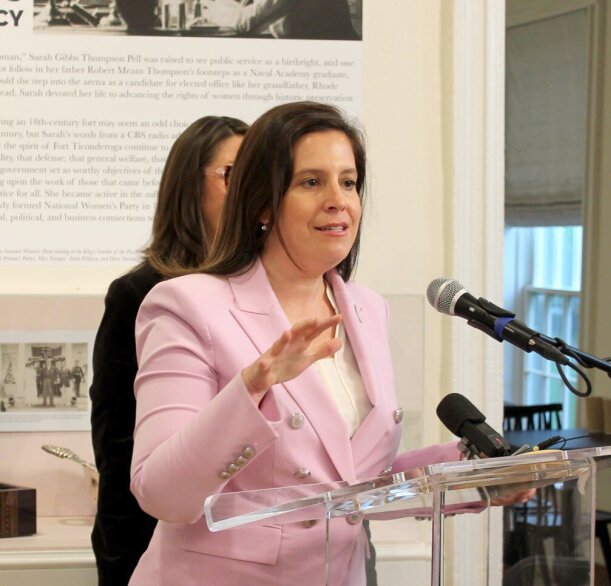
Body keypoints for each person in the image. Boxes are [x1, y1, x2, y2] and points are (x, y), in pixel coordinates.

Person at [127, 102, 465, 586]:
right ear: (263, 202)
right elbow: (162, 493)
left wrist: (465, 472)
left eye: (348, 182)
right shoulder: (188, 304)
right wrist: (255, 385)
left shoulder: (368, 309)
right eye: (311, 182)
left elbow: (348, 484)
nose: (338, 200)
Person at [89, 115, 249, 586]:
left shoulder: (274, 289)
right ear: (188, 186)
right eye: (232, 175)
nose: (250, 192)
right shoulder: (139, 293)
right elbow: (117, 449)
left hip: (255, 545)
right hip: (160, 546)